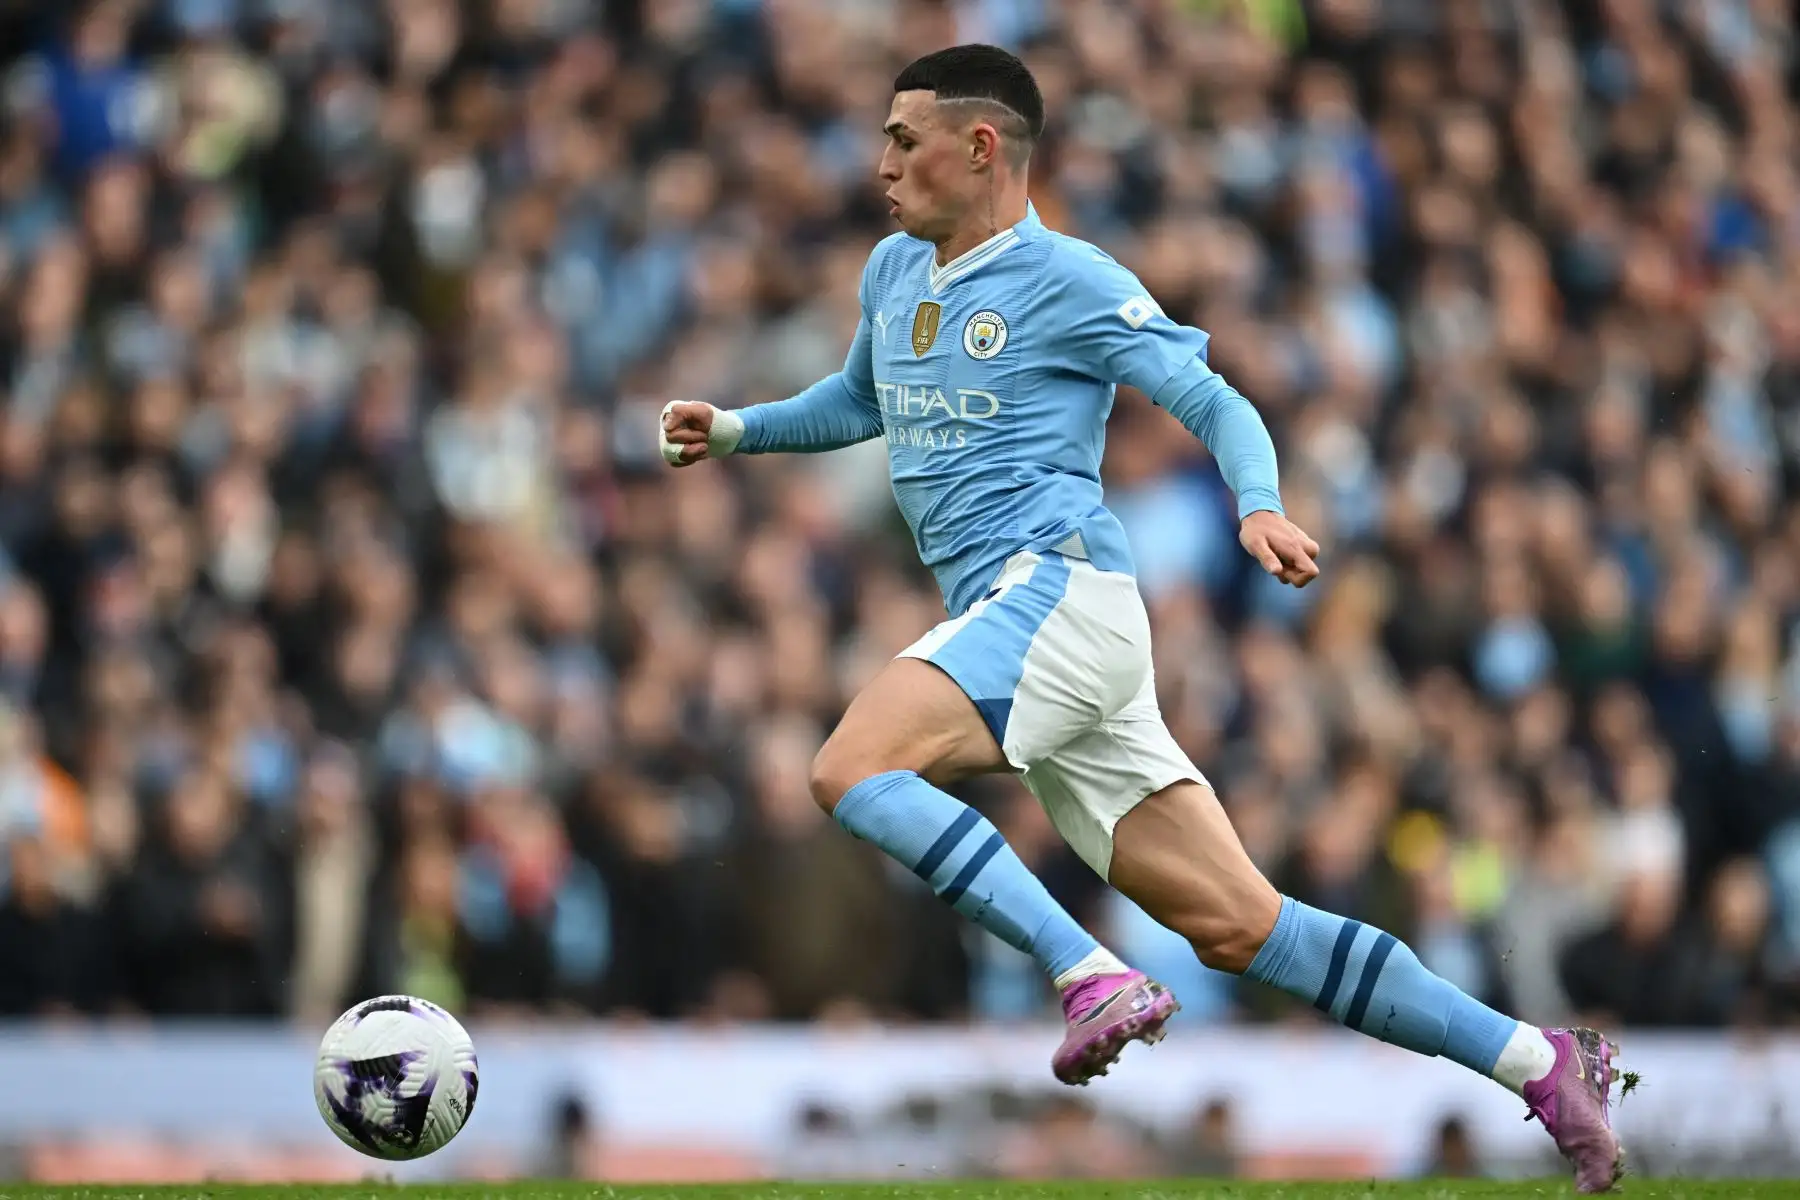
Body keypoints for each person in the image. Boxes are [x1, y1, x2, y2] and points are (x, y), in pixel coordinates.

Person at [660, 44, 1623, 1193]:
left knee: (851, 768)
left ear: (981, 148)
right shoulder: (892, 273)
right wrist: (736, 430)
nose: (880, 166)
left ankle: (1088, 972)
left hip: (1061, 595)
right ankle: (1540, 1059)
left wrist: (1257, 505)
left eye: (901, 140)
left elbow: (1213, 399)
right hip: (1035, 630)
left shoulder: (1068, 277)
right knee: (1242, 926)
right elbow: (860, 401)